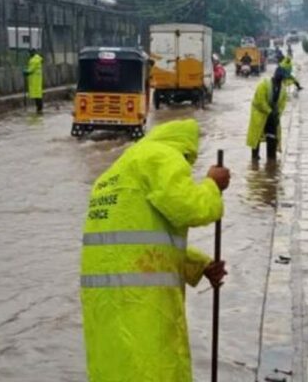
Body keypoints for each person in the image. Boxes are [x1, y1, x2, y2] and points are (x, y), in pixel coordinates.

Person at [80, 119, 230, 382]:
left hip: (104, 303)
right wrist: (211, 186)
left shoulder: (115, 172)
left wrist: (201, 265)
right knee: (154, 370)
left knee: (113, 370)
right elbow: (190, 207)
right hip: (140, 302)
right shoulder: (163, 156)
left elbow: (138, 243)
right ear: (186, 150)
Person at [246, 67, 288, 161]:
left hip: (273, 117)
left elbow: (283, 103)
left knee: (272, 137)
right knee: (256, 137)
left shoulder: (283, 89)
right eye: (279, 77)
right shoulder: (264, 84)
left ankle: (271, 158)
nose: (280, 80)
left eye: (282, 78)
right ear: (275, 76)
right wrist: (269, 111)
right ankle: (255, 158)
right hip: (259, 114)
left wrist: (277, 113)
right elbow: (260, 101)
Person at [24, 48, 43, 114]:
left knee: (37, 95)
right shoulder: (37, 59)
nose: (29, 54)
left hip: (35, 80)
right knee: (37, 95)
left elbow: (31, 70)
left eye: (30, 53)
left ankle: (39, 109)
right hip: (36, 80)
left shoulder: (34, 60)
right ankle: (39, 109)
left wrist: (26, 72)